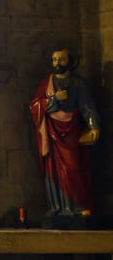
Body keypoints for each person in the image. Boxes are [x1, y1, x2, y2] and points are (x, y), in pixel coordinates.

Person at [29, 49, 100, 216]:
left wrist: (94, 127)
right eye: (54, 60)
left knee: (73, 168)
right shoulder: (47, 82)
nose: (57, 63)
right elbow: (34, 105)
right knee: (53, 170)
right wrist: (54, 100)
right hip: (51, 132)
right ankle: (57, 207)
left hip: (72, 131)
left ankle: (79, 206)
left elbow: (88, 108)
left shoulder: (78, 83)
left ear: (70, 62)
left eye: (60, 60)